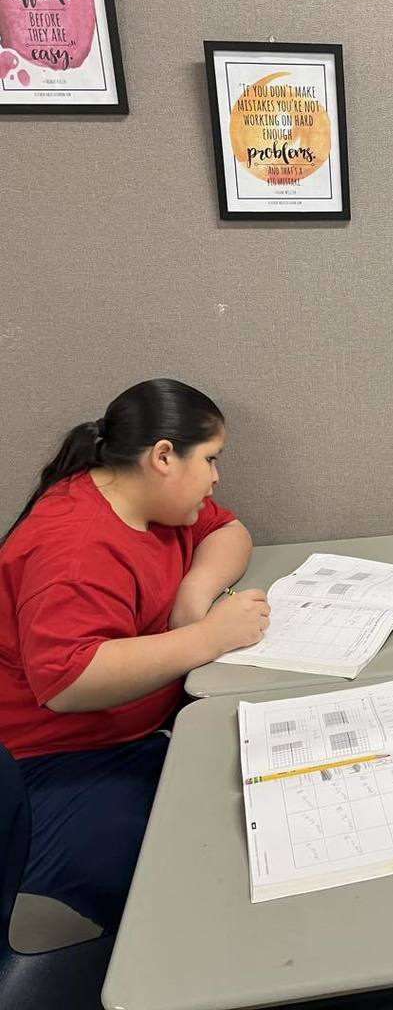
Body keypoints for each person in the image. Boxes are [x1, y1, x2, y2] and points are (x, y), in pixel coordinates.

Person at [0, 378, 270, 931]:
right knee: (198, 879)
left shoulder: (151, 503)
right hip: (59, 761)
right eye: (212, 459)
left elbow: (229, 530)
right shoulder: (73, 548)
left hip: (147, 728)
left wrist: (193, 595)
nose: (216, 478)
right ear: (164, 457)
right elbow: (69, 682)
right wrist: (207, 638)